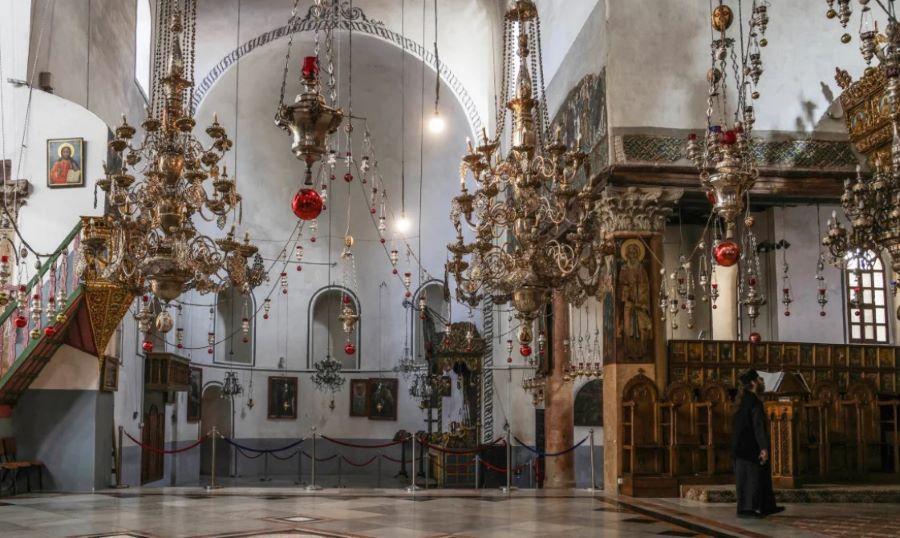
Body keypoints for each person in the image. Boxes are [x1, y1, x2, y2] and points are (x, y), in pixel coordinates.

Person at [732, 369, 784, 518]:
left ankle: (766, 506)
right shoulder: (754, 401)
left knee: (755, 477)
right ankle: (748, 509)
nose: (762, 381)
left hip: (739, 446)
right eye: (760, 379)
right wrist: (763, 448)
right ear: (754, 383)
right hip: (749, 446)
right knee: (751, 478)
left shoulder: (741, 400)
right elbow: (758, 426)